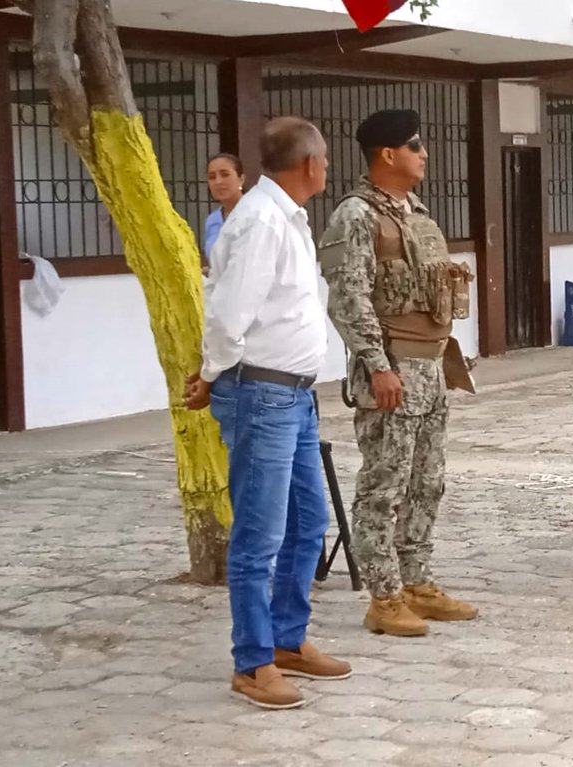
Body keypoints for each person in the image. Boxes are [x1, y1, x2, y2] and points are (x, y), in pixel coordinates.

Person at [183, 117, 351, 710]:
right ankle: (252, 661)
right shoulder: (258, 220)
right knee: (260, 532)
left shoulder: (286, 217)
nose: (327, 167)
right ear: (308, 164)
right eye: (324, 158)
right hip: (259, 392)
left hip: (295, 393)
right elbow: (230, 312)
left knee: (308, 521)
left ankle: (286, 639)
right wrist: (211, 373)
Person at [318, 109, 478, 637]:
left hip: (430, 364)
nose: (423, 154)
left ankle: (417, 583)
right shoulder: (356, 215)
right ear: (387, 154)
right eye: (414, 145)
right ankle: (383, 595)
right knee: (384, 485)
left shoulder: (415, 213)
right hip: (391, 367)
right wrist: (376, 365)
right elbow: (349, 299)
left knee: (427, 482)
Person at [202, 153, 246, 271]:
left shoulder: (256, 213)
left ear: (241, 179)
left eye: (225, 174)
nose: (218, 181)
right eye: (212, 177)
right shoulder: (212, 220)